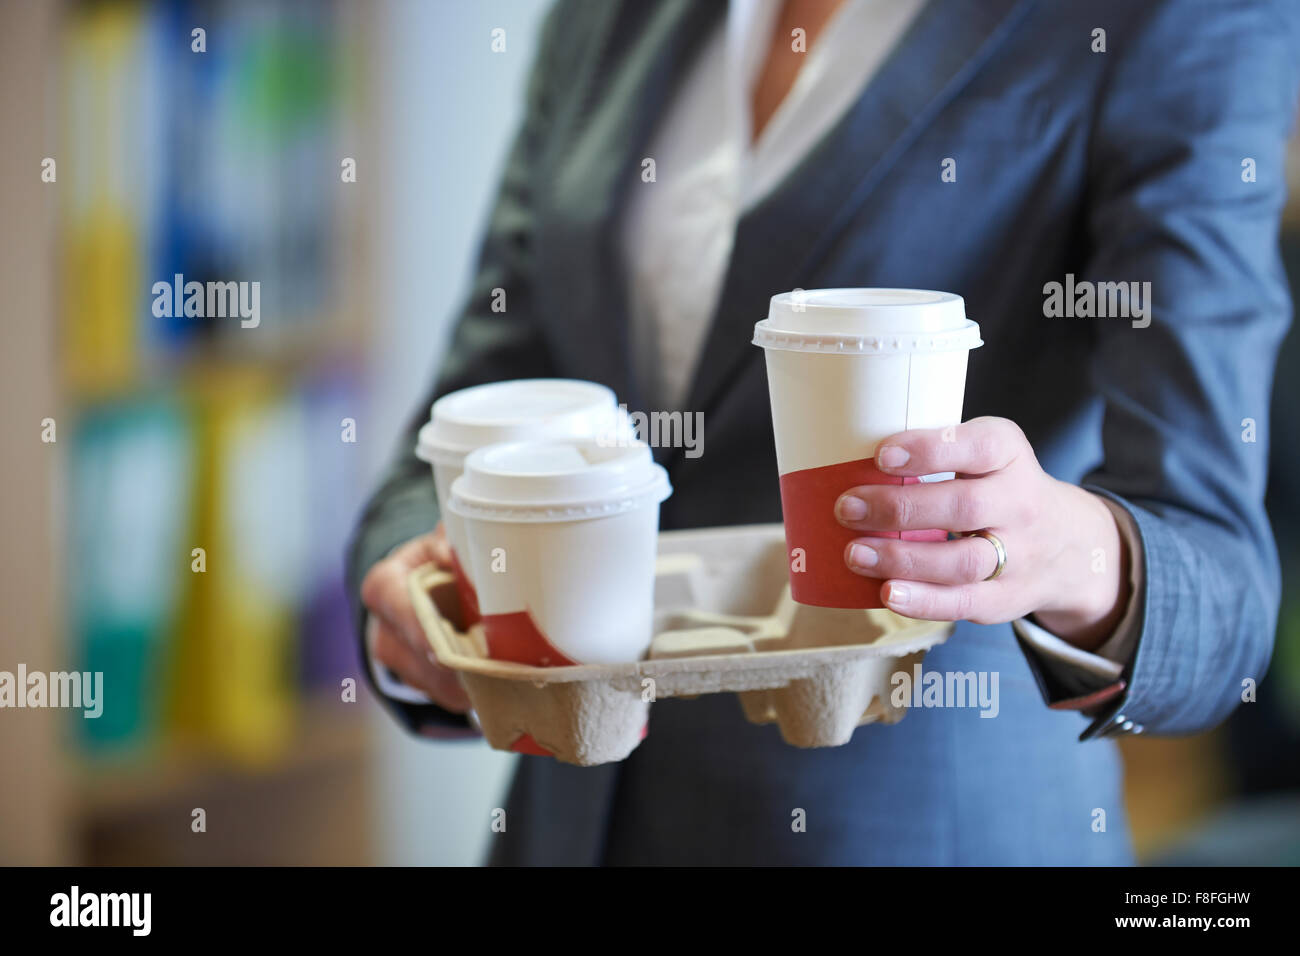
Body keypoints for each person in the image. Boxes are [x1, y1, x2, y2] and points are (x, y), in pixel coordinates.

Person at [347, 0, 1300, 864]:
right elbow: (465, 422)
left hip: (916, 831)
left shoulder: (1170, 19)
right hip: (573, 821)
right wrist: (411, 600)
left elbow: (1225, 600)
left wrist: (1067, 553)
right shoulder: (603, 21)